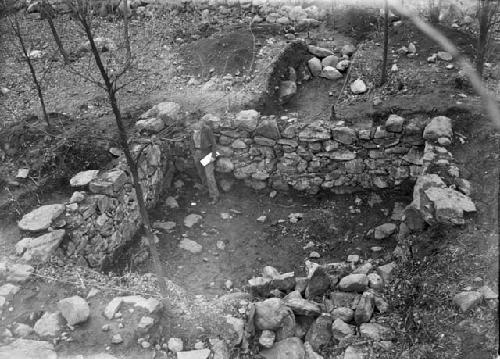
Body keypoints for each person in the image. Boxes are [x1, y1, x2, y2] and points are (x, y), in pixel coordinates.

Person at [191, 119, 220, 204]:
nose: (196, 125)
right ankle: (206, 189)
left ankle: (215, 195)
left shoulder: (206, 130)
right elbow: (191, 143)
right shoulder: (192, 130)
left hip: (207, 154)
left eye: (198, 122)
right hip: (197, 154)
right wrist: (194, 154)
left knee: (209, 175)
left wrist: (213, 156)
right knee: (201, 174)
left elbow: (213, 143)